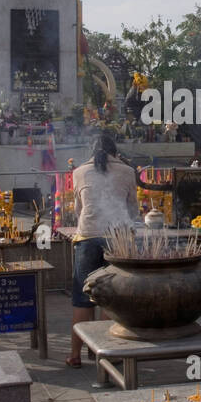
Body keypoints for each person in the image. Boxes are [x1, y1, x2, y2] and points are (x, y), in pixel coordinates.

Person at [67, 133, 137, 367]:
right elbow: (132, 209)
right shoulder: (127, 171)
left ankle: (75, 356)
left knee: (82, 299)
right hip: (118, 238)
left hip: (87, 236)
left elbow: (79, 208)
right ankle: (107, 353)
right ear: (115, 151)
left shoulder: (79, 172)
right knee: (110, 298)